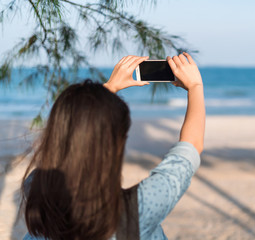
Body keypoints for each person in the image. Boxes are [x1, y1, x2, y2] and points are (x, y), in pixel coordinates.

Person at [20, 52, 205, 240]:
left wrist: (110, 88)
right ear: (117, 143)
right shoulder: (140, 209)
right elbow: (190, 148)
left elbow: (71, 137)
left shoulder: (38, 193)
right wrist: (195, 87)